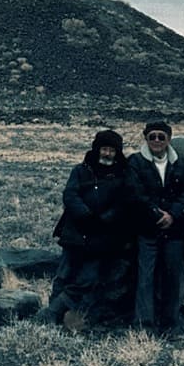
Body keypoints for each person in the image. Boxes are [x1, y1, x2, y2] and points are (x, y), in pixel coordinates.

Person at [37, 129, 135, 325]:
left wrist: (103, 220)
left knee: (87, 279)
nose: (107, 154)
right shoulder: (80, 171)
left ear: (117, 153)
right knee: (64, 274)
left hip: (102, 237)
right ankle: (52, 314)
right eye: (104, 149)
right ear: (97, 149)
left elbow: (122, 203)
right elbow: (70, 195)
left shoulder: (122, 176)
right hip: (75, 232)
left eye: (111, 150)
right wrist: (86, 216)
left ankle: (54, 312)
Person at [128, 120, 184, 335]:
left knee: (172, 276)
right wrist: (157, 214)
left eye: (161, 136)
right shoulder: (135, 163)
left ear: (169, 138)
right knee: (145, 276)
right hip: (147, 229)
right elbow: (134, 192)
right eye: (152, 136)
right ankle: (144, 323)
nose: (157, 140)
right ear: (146, 138)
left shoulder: (183, 165)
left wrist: (173, 215)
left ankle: (170, 321)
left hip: (174, 231)